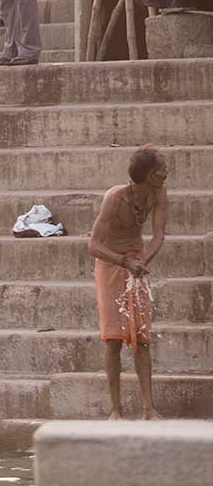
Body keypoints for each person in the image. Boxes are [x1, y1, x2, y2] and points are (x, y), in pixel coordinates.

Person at [88, 147, 169, 421]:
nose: (166, 174)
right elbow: (94, 245)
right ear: (148, 175)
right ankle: (115, 410)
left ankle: (148, 408)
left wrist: (143, 262)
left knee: (142, 338)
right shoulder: (115, 198)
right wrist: (125, 262)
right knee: (113, 340)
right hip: (110, 263)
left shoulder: (158, 193)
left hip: (137, 262)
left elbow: (159, 236)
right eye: (161, 170)